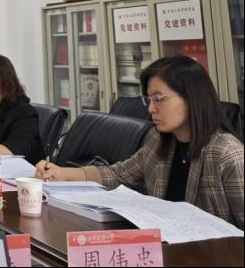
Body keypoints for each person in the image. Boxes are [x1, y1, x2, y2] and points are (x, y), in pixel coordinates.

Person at [36, 56, 244, 228]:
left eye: (159, 99)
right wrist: (61, 173)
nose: (151, 108)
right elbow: (118, 174)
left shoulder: (228, 155)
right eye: (149, 100)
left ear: (191, 98)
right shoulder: (159, 141)